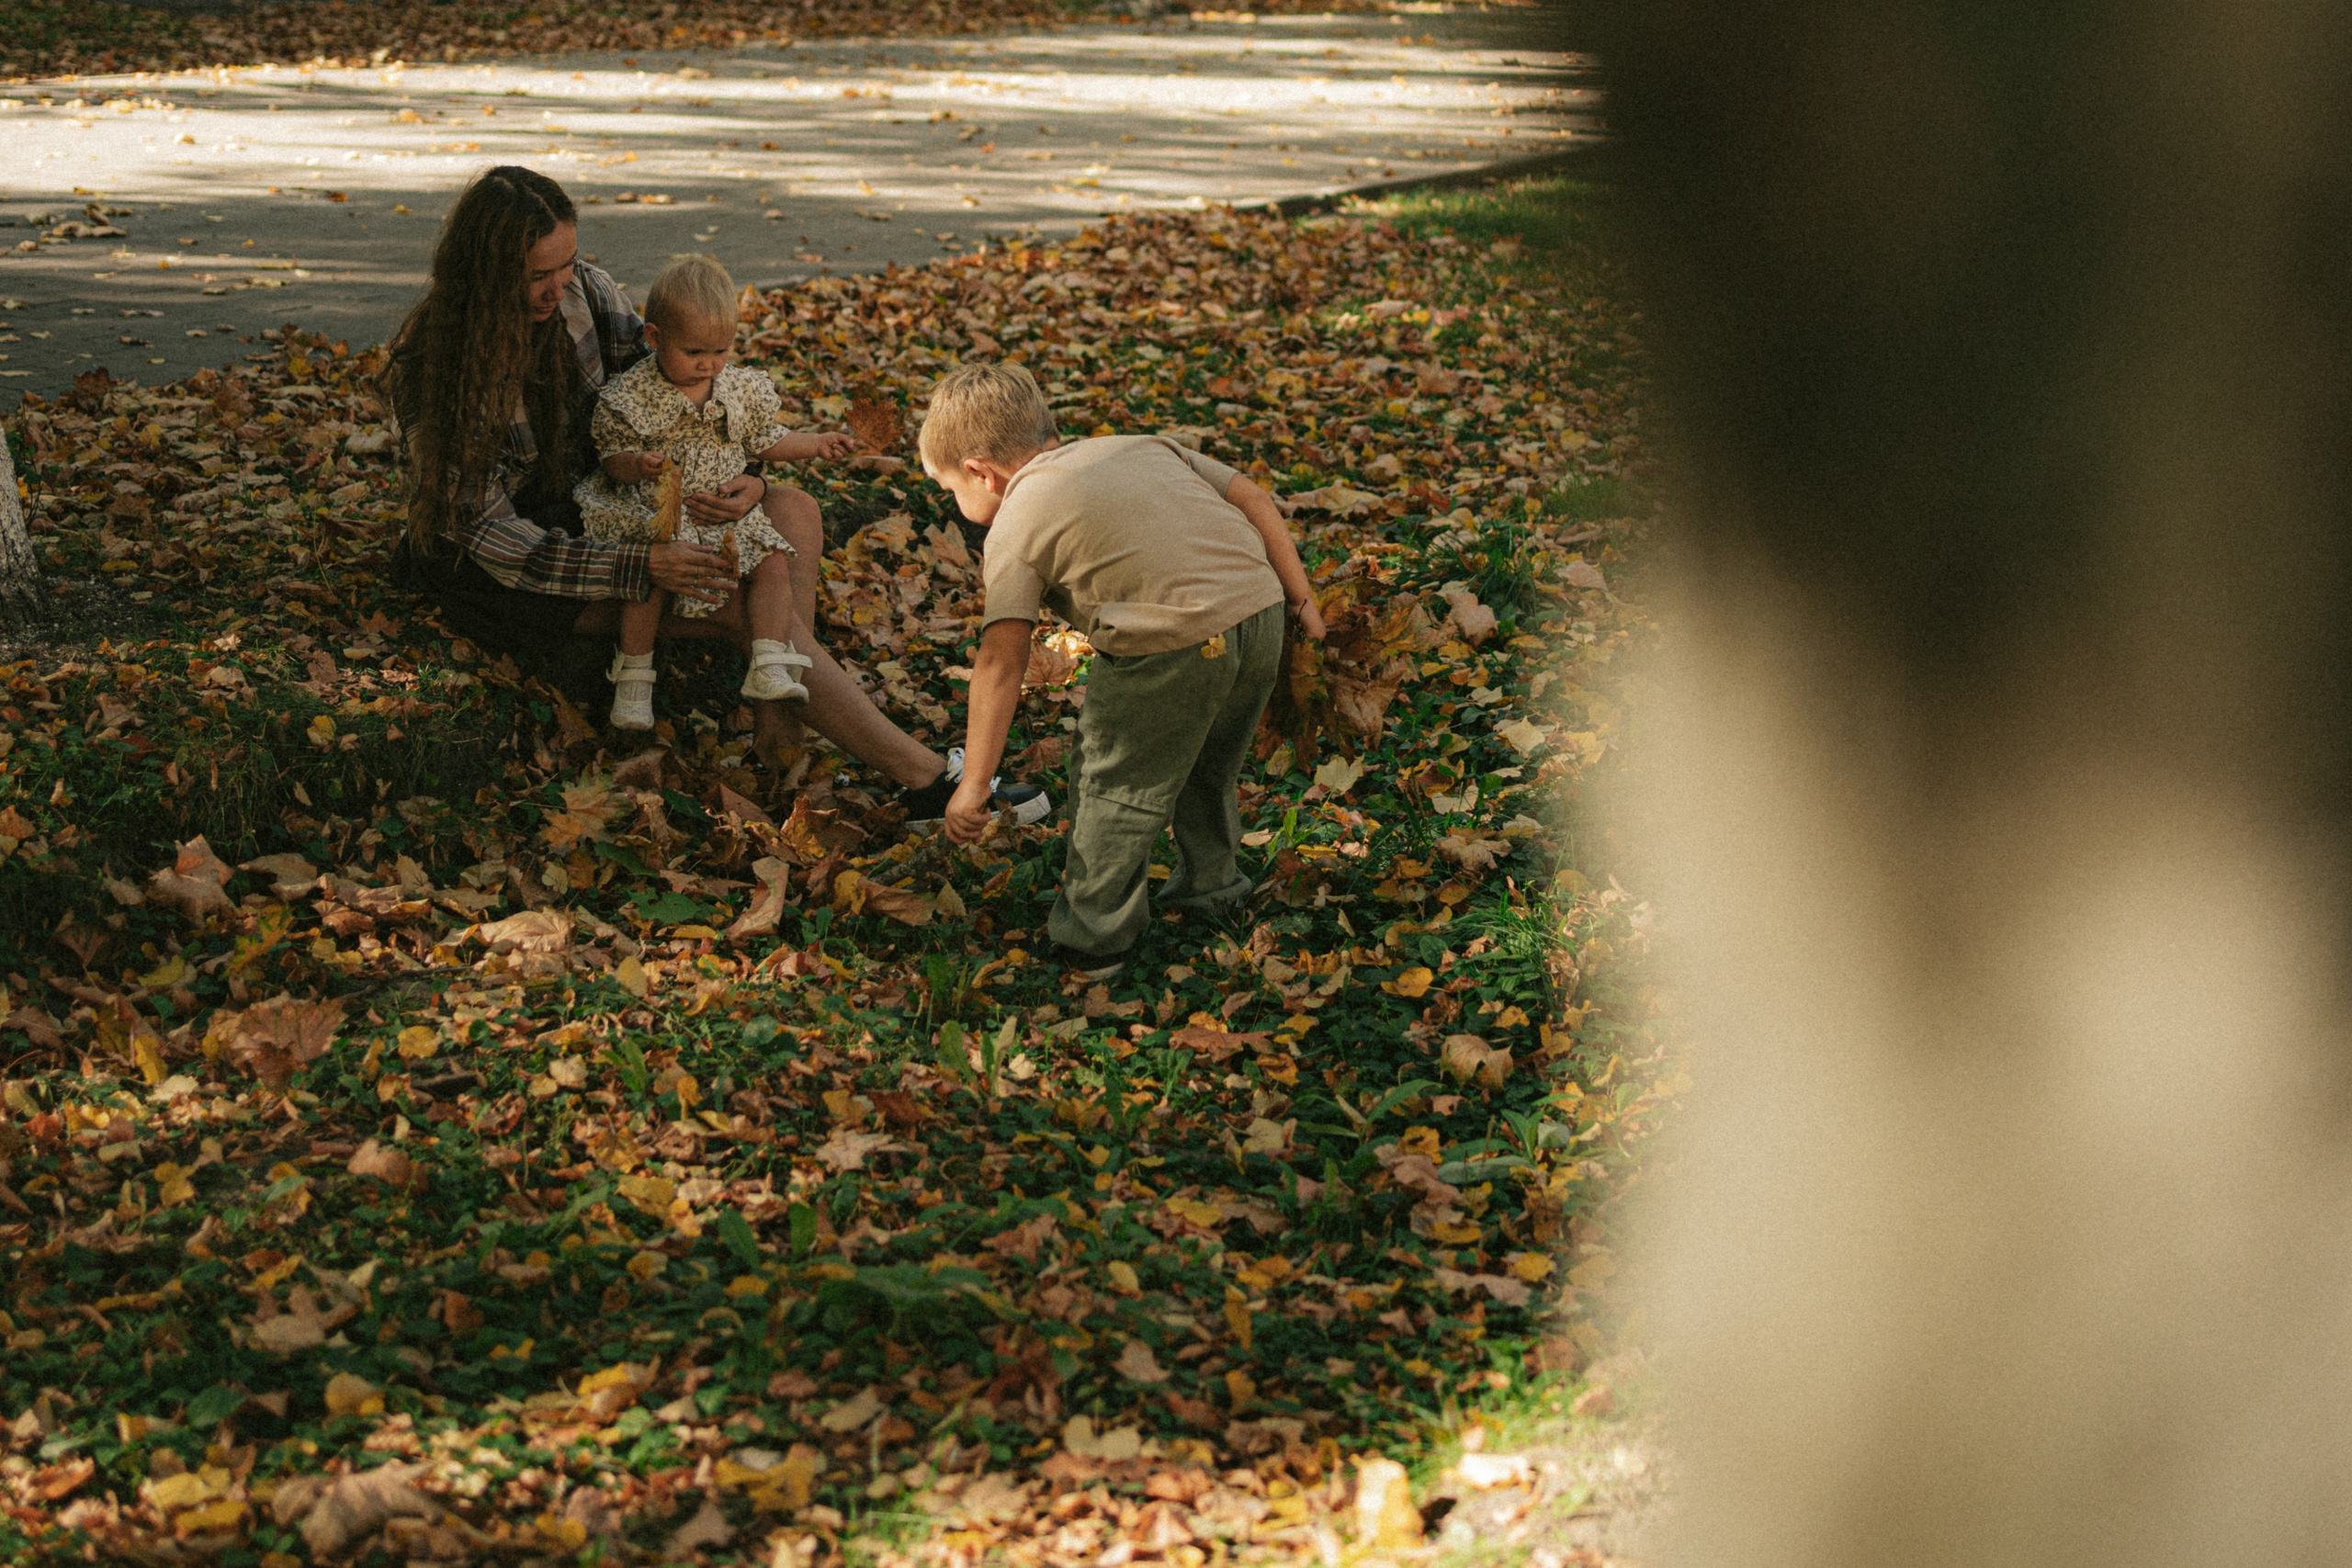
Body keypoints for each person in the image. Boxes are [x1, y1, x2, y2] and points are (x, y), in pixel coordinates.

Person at [380, 165, 1039, 821]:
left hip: (613, 495)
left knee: (794, 512)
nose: (557, 287)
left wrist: (748, 476)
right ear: (488, 272)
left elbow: (673, 394)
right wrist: (640, 563)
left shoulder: (585, 295)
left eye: (566, 264)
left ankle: (778, 724)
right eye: (534, 276)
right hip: (515, 567)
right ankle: (924, 778)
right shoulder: (436, 361)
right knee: (729, 590)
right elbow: (488, 535)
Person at [924, 361, 1327, 976]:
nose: (955, 500)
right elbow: (1250, 495)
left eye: (950, 486)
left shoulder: (1016, 522)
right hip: (1261, 611)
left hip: (1172, 642)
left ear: (981, 472)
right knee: (1204, 763)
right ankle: (1212, 888)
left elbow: (1001, 661)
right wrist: (1304, 606)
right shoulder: (1137, 445)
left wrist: (975, 782)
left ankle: (1094, 941)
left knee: (1112, 784)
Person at [576, 254, 852, 731]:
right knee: (647, 583)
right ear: (655, 338)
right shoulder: (633, 395)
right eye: (695, 353)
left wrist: (817, 443)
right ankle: (635, 677)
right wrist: (634, 466)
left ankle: (770, 660)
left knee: (770, 563)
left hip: (723, 514)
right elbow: (611, 455)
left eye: (721, 351)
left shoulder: (736, 390)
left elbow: (770, 440)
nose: (709, 365)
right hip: (659, 512)